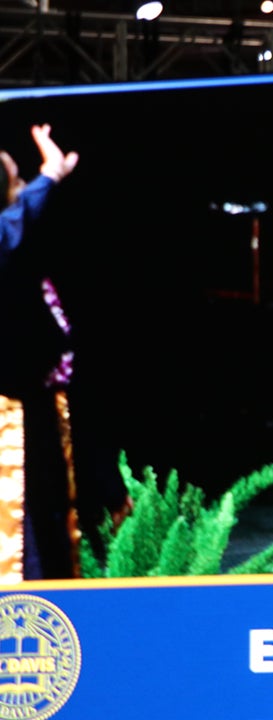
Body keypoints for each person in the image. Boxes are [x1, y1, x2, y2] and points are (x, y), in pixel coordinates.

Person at [0, 124, 94, 580]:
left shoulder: (18, 267)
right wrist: (49, 176)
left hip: (32, 419)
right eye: (14, 181)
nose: (20, 189)